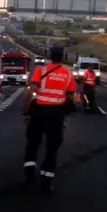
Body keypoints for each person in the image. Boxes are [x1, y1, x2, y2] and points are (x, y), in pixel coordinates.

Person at [22, 45, 76, 194]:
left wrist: (26, 112)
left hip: (39, 112)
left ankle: (29, 176)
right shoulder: (68, 74)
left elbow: (31, 91)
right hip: (57, 114)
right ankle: (46, 182)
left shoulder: (41, 70)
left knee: (32, 144)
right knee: (52, 148)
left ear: (50, 55)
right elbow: (71, 97)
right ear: (62, 56)